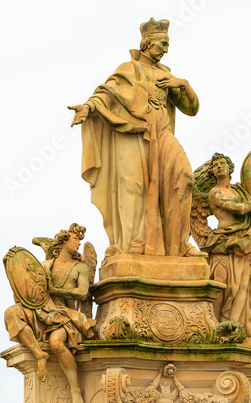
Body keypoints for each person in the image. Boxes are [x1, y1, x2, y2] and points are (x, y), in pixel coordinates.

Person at [70, 18, 201, 257]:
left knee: (184, 178)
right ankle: (131, 245)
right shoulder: (128, 69)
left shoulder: (167, 75)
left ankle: (179, 244)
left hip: (161, 134)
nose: (166, 49)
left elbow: (192, 109)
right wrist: (88, 108)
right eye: (163, 43)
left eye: (167, 44)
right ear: (147, 43)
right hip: (132, 134)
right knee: (134, 187)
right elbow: (105, 93)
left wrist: (183, 84)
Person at [4, 225, 96, 403]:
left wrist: (57, 291)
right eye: (75, 239)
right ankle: (39, 355)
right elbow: (30, 287)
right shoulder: (46, 266)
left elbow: (82, 292)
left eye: (80, 240)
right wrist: (11, 264)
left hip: (66, 315)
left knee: (56, 342)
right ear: (63, 241)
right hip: (42, 310)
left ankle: (75, 390)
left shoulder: (81, 268)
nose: (78, 243)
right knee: (11, 313)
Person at [201, 153, 251, 338]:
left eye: (222, 163)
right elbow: (240, 209)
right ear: (212, 171)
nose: (219, 167)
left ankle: (235, 329)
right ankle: (215, 327)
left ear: (230, 167)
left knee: (243, 286)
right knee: (221, 285)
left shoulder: (240, 191)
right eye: (215, 165)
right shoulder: (215, 193)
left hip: (247, 242)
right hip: (223, 243)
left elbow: (248, 208)